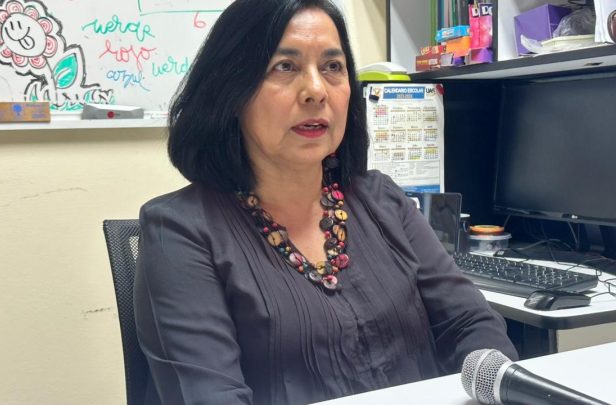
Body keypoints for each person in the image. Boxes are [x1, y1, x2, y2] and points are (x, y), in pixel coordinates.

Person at [134, 0, 518, 404]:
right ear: (232, 91)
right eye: (285, 66)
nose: (316, 90)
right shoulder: (179, 231)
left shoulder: (382, 200)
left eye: (333, 66)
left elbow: (470, 323)